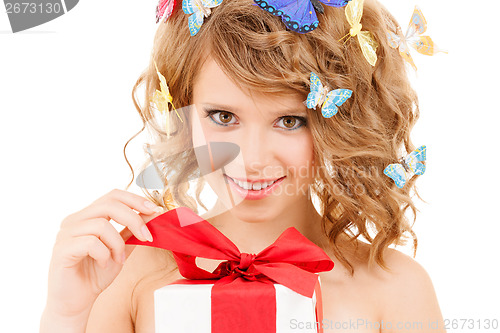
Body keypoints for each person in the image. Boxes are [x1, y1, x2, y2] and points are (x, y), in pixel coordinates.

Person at [40, 0, 445, 332]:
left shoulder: (396, 292)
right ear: (183, 111)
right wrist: (66, 315)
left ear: (339, 125)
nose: (252, 160)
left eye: (289, 121)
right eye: (222, 117)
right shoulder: (127, 275)